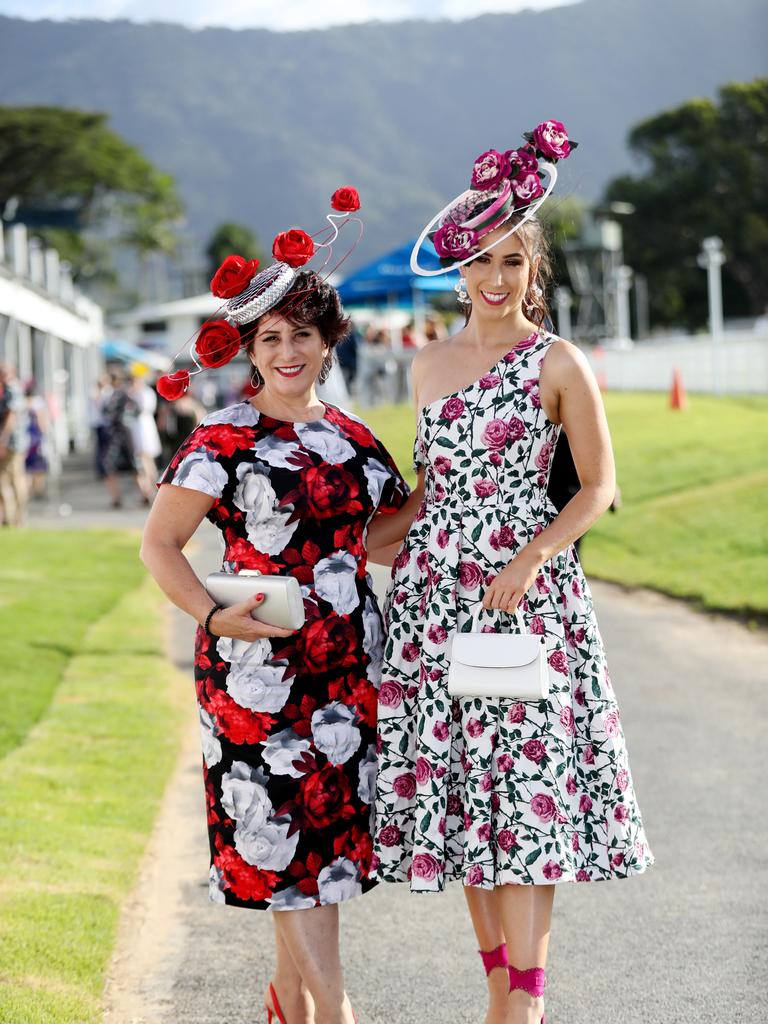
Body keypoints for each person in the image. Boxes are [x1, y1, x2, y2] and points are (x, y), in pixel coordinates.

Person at [368, 122, 652, 1024]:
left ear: (535, 272)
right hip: (433, 603)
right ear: (458, 269)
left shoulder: (558, 363)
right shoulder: (425, 365)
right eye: (479, 262)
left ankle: (523, 1004)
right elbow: (431, 488)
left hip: (525, 598)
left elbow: (599, 487)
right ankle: (500, 988)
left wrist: (531, 556)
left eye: (511, 263)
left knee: (526, 800)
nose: (494, 280)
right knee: (464, 802)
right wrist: (367, 533)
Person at [141, 191, 409, 1024]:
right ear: (250, 350)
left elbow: (381, 542)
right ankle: (336, 1013)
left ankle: (289, 1006)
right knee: (283, 848)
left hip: (345, 672)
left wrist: (450, 485)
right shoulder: (221, 437)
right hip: (255, 675)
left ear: (329, 341)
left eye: (303, 335)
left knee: (324, 847)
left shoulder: (358, 439)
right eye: (271, 339)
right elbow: (161, 545)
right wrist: (214, 617)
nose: (288, 352)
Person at [128, 365, 163, 505]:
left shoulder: (146, 392)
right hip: (137, 427)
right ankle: (147, 490)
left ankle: (151, 488)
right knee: (141, 459)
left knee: (146, 457)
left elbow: (146, 408)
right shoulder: (134, 393)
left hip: (144, 427)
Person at [0, 363, 28, 526]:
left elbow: (11, 417)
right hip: (12, 441)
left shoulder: (12, 390)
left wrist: (2, 440)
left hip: (11, 442)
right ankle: (11, 518)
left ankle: (14, 519)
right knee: (11, 479)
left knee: (10, 479)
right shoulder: (10, 389)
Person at [23, 380, 49, 499]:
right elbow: (41, 422)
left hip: (25, 439)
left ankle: (28, 491)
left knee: (27, 467)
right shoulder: (38, 404)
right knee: (38, 466)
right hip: (36, 438)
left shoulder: (23, 403)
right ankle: (38, 489)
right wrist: (45, 433)